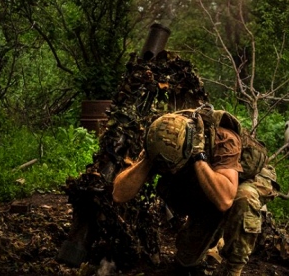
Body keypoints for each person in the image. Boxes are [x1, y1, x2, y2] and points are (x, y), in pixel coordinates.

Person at [112, 110, 276, 276]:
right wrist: (147, 160)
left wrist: (199, 156)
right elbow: (119, 194)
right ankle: (216, 238)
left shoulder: (222, 138)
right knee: (186, 260)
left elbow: (225, 199)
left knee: (243, 197)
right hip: (213, 184)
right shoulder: (160, 138)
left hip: (247, 178)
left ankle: (234, 268)